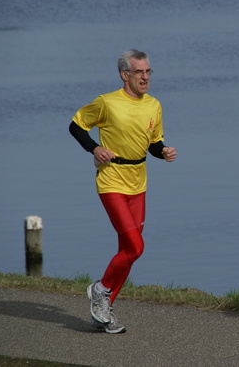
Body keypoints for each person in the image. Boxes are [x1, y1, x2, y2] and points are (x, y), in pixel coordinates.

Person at [69, 49, 176, 334]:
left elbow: (153, 143)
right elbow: (76, 125)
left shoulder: (154, 105)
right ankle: (99, 290)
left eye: (148, 71)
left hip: (138, 183)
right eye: (139, 72)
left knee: (127, 251)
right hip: (111, 180)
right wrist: (95, 147)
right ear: (124, 75)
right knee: (136, 247)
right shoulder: (107, 102)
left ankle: (103, 311)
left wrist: (163, 151)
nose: (145, 77)